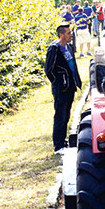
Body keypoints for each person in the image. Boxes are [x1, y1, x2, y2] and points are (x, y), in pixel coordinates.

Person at [45, 24, 82, 155]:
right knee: (60, 115)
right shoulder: (54, 49)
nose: (70, 35)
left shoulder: (69, 47)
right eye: (68, 33)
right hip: (61, 88)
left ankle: (63, 140)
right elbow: (48, 70)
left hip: (70, 86)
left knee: (66, 114)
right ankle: (58, 145)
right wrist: (59, 83)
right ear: (61, 35)